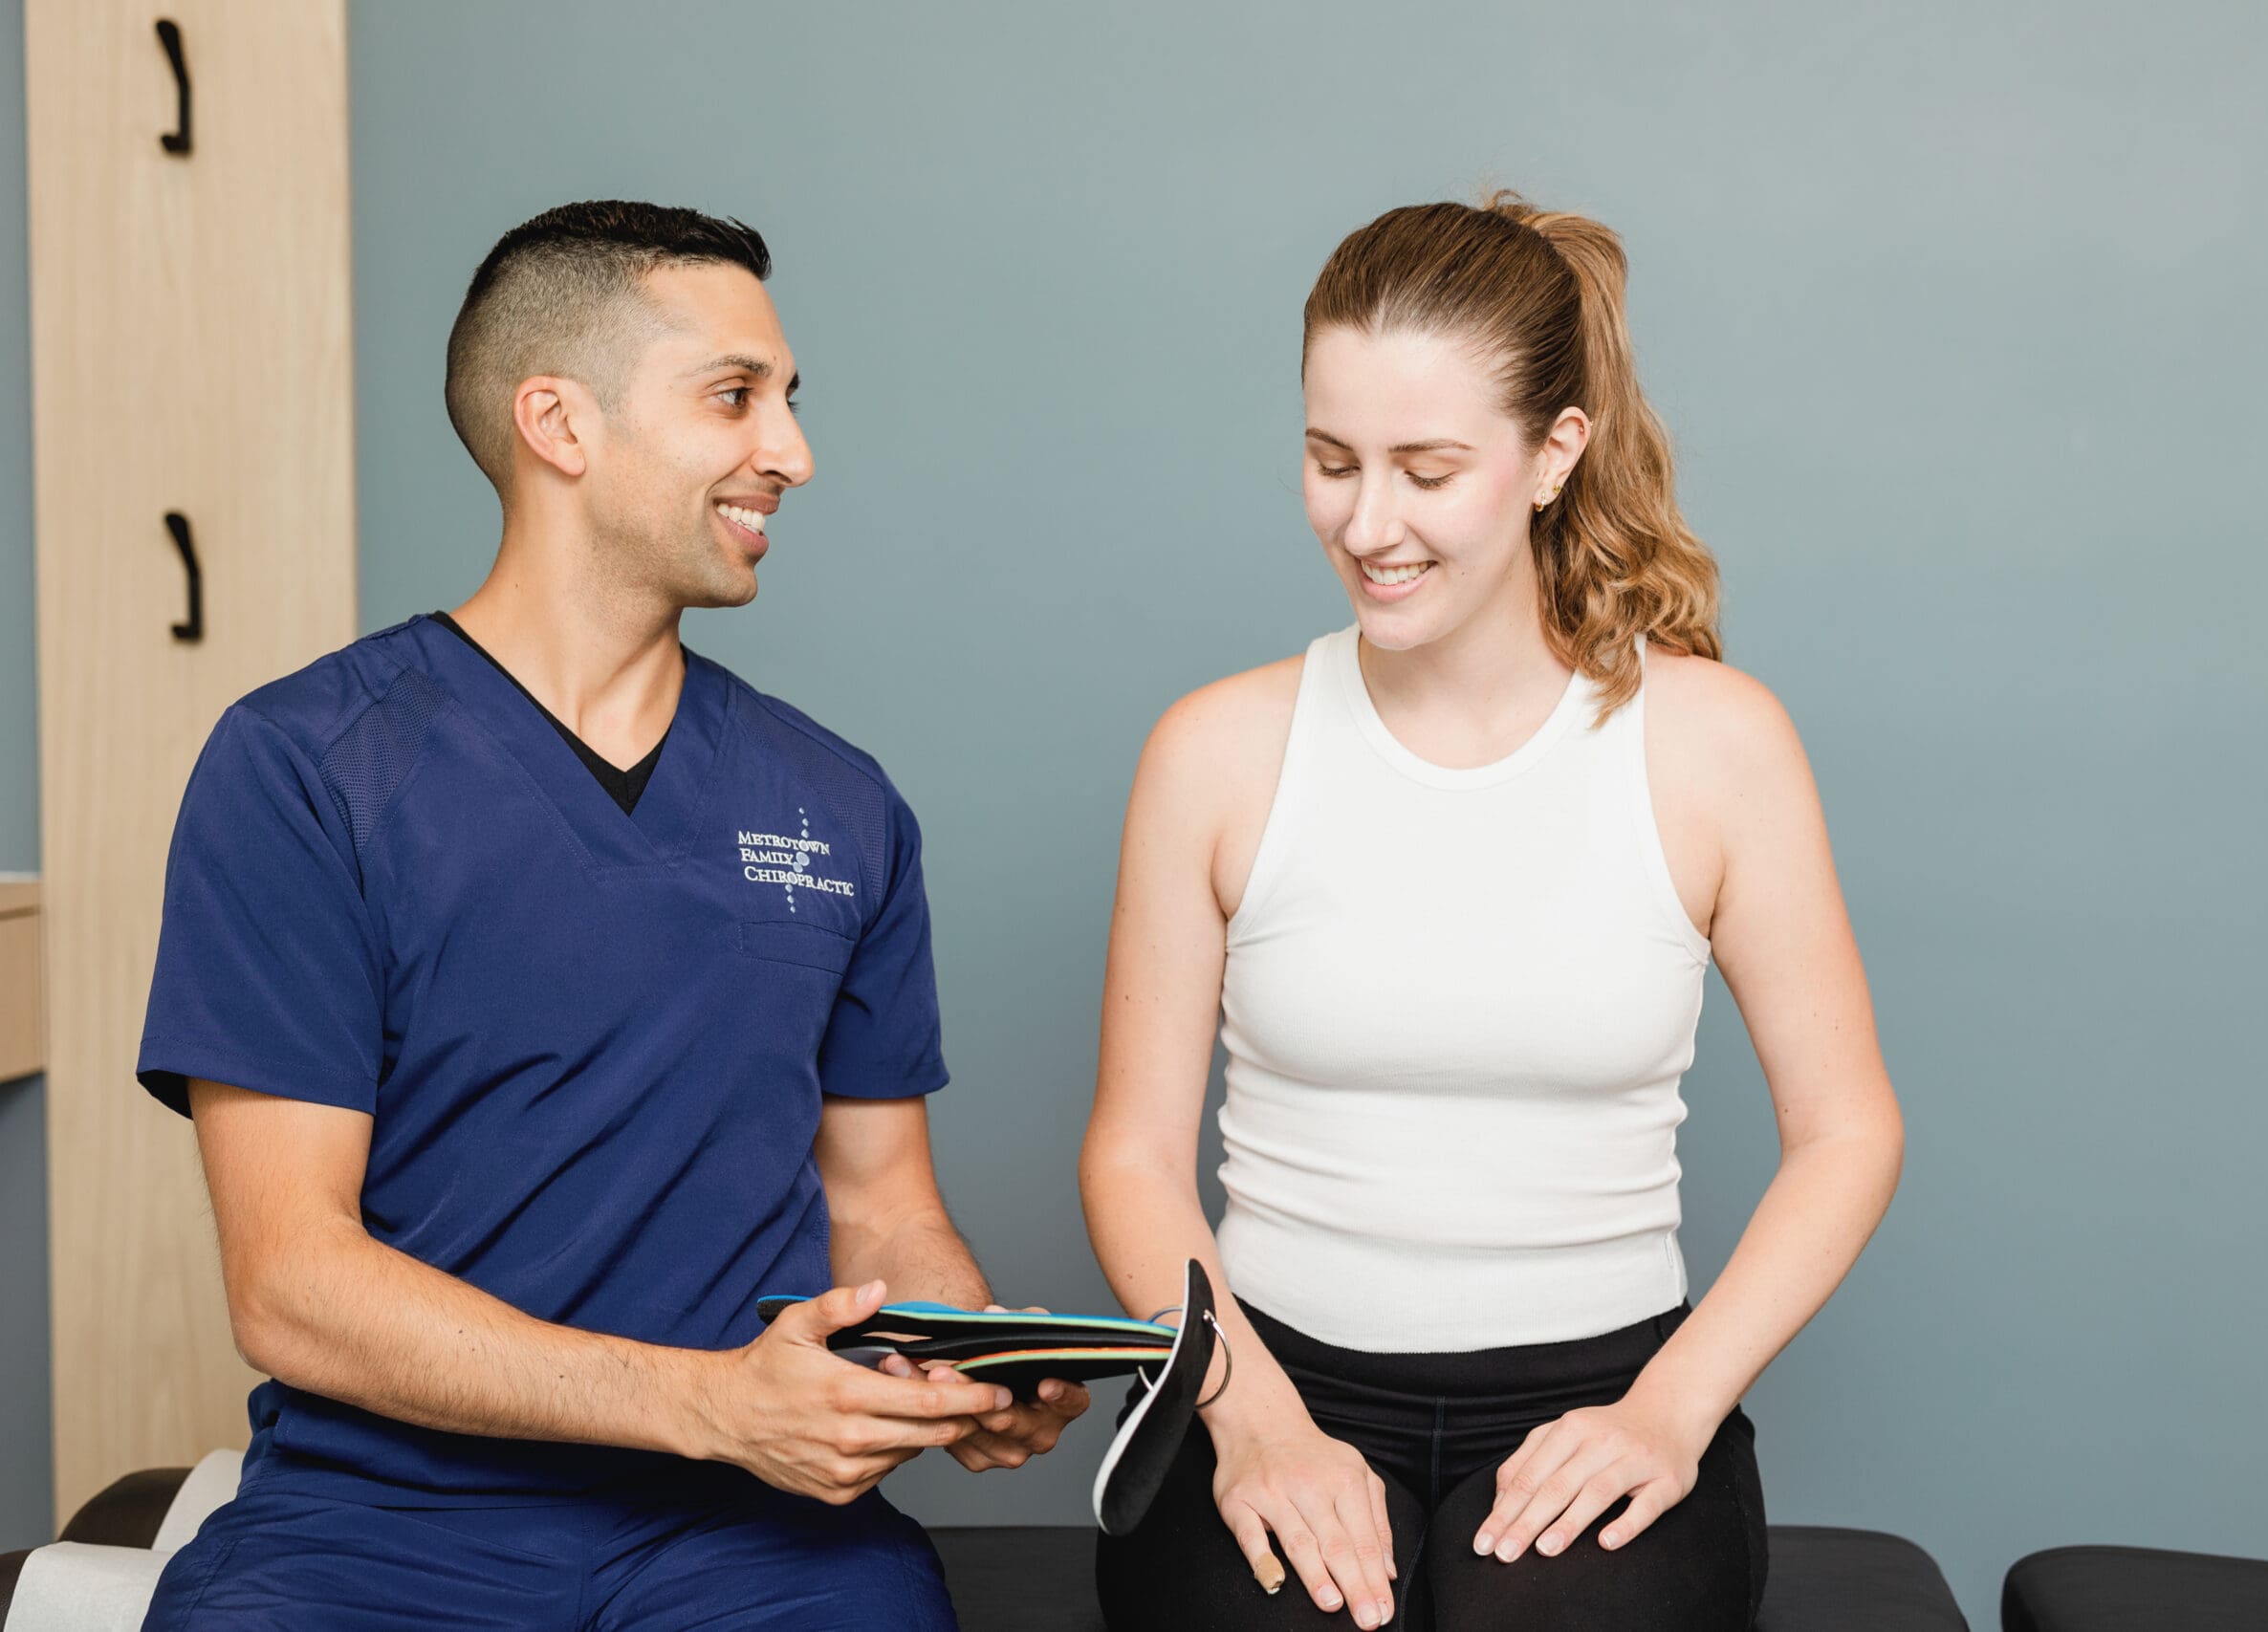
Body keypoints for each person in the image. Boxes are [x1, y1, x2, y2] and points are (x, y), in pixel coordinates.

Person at [132, 200, 1088, 1631]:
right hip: (382, 1529)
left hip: (758, 1544)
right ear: (559, 425)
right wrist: (709, 1404)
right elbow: (291, 1282)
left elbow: (882, 1205)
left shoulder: (841, 804)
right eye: (734, 397)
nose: (793, 453)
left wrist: (957, 1357)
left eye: (789, 401)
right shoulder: (305, 771)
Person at [1079, 194, 1906, 1630]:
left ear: (1551, 455)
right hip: (1272, 1373)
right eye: (1331, 462)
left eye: (1426, 469)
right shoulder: (1212, 752)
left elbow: (1850, 1133)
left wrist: (1673, 1410)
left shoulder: (1716, 746)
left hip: (1605, 1379)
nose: (1366, 521)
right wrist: (1254, 1421)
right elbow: (1134, 1157)